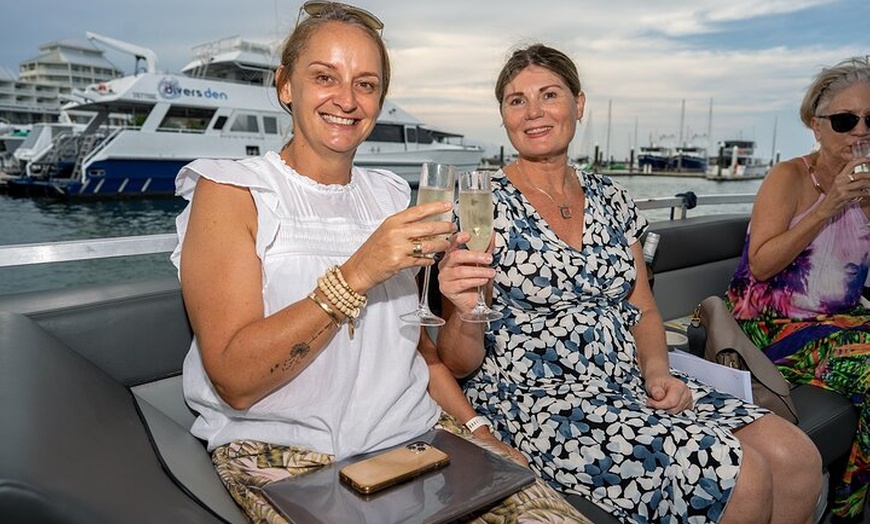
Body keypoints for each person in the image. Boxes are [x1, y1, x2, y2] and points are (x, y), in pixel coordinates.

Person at [170, 4, 588, 523]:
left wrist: (476, 416)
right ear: (285, 86)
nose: (346, 100)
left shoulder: (391, 195)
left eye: (365, 85)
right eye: (325, 77)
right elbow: (234, 379)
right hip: (290, 458)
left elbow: (422, 354)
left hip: (417, 440)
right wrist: (358, 273)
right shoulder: (231, 191)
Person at [436, 43, 823, 524]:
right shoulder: (479, 204)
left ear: (578, 104)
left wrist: (658, 370)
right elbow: (456, 360)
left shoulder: (612, 196)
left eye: (549, 95)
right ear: (503, 116)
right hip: (541, 402)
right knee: (738, 473)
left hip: (627, 382)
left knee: (796, 456)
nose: (533, 112)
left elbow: (643, 307)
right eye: (516, 100)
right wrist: (461, 304)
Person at [725, 56, 870, 522]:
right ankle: (848, 510)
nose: (860, 131)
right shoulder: (788, 177)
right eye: (846, 120)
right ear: (815, 124)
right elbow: (763, 266)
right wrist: (830, 206)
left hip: (837, 323)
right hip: (767, 327)